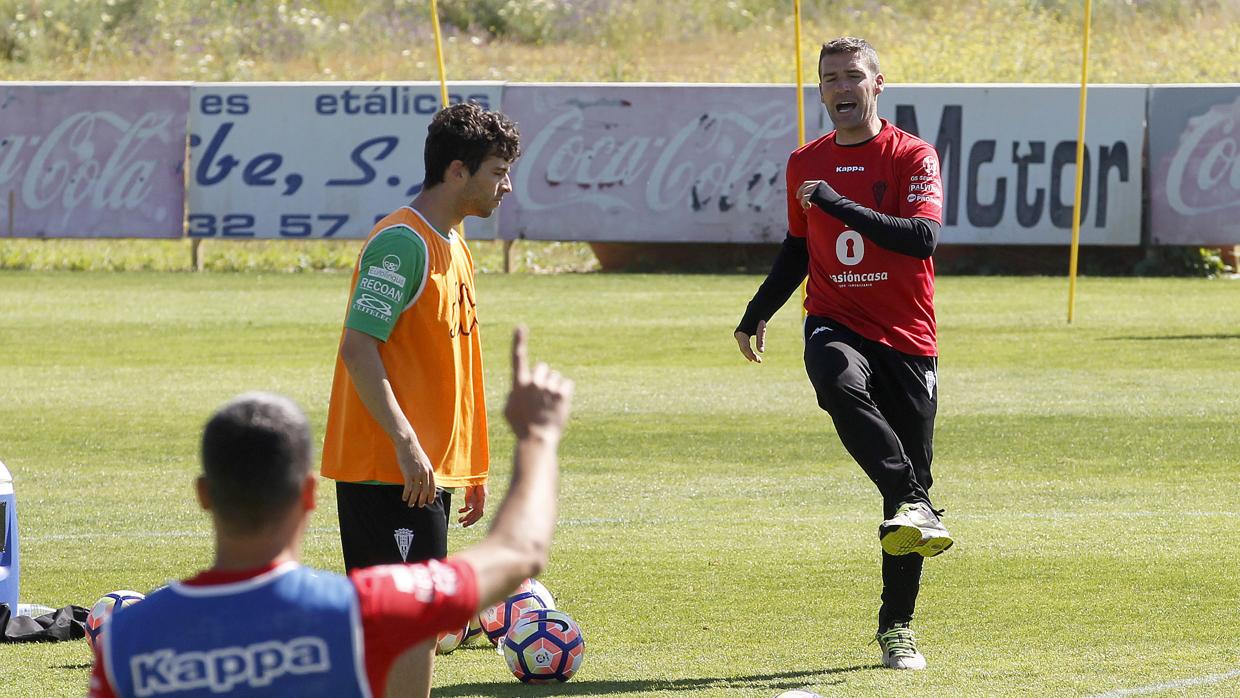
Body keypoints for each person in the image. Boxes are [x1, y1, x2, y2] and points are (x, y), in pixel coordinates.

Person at [89, 327, 573, 697]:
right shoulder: (370, 607)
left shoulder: (128, 638)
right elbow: (518, 551)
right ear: (308, 495)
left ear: (204, 494)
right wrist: (538, 437)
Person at [733, 36, 954, 671]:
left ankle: (897, 626)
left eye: (853, 76)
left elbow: (922, 239)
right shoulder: (804, 162)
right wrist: (757, 311)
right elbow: (798, 248)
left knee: (907, 501)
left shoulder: (912, 156)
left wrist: (838, 204)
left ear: (877, 84)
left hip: (908, 338)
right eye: (830, 78)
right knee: (834, 379)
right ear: (821, 89)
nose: (841, 88)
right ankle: (914, 497)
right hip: (834, 319)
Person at [321, 101, 520, 571]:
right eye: (498, 171)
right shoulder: (401, 244)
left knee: (419, 631)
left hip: (425, 470)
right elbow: (358, 347)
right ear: (457, 171)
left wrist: (467, 463)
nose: (506, 185)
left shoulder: (455, 243)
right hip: (389, 471)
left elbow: (452, 362)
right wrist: (406, 444)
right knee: (404, 633)